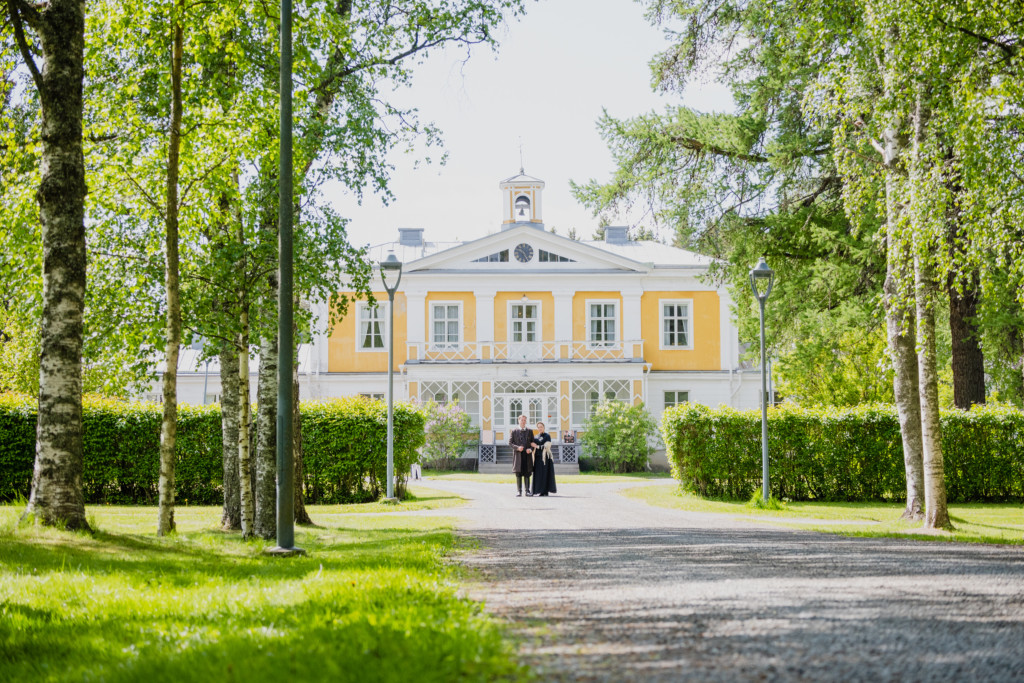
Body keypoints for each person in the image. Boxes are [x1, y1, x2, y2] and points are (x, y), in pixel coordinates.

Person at [508, 413, 534, 496]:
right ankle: (519, 491)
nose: (523, 421)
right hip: (518, 456)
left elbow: (533, 443)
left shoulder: (530, 431)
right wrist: (517, 447)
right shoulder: (514, 431)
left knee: (527, 473)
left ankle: (527, 491)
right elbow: (510, 443)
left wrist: (530, 449)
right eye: (521, 420)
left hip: (527, 456)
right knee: (518, 473)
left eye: (524, 420)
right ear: (518, 420)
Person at [531, 421, 557, 496]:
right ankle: (537, 490)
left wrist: (537, 446)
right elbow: (532, 445)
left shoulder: (547, 436)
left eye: (541, 427)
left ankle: (544, 491)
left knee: (545, 474)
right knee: (538, 474)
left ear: (544, 427)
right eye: (538, 427)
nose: (540, 428)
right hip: (537, 458)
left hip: (545, 458)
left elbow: (546, 446)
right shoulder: (535, 437)